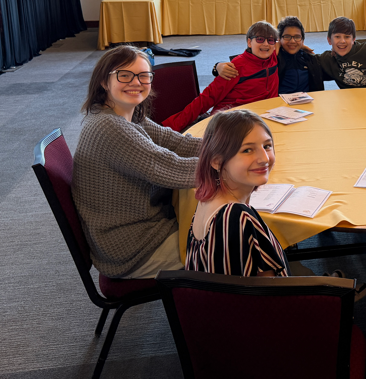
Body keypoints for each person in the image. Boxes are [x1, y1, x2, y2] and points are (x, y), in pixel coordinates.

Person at [73, 45, 201, 279]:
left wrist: (229, 148)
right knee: (233, 242)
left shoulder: (125, 113)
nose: (136, 82)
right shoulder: (110, 127)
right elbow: (170, 167)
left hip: (142, 228)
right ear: (104, 81)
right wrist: (234, 164)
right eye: (125, 75)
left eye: (144, 76)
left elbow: (176, 143)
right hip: (134, 248)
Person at [215, 15, 366, 90]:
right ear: (329, 40)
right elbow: (253, 57)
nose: (342, 41)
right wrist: (218, 67)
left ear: (354, 38)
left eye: (347, 37)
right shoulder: (322, 60)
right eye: (337, 37)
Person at [185, 110, 289, 276]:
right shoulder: (237, 215)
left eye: (267, 146)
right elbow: (269, 289)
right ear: (216, 161)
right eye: (247, 150)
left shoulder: (208, 199)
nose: (264, 158)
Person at [162, 21, 279, 132]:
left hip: (258, 115)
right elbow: (208, 97)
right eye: (260, 39)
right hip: (230, 117)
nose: (265, 44)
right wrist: (171, 127)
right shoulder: (236, 67)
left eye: (270, 40)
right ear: (249, 42)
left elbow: (287, 38)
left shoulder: (272, 56)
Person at [276, 15, 325, 94]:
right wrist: (274, 50)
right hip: (280, 101)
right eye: (287, 37)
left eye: (297, 37)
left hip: (307, 101)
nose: (292, 41)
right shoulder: (275, 58)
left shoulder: (308, 59)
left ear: (302, 40)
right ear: (279, 39)